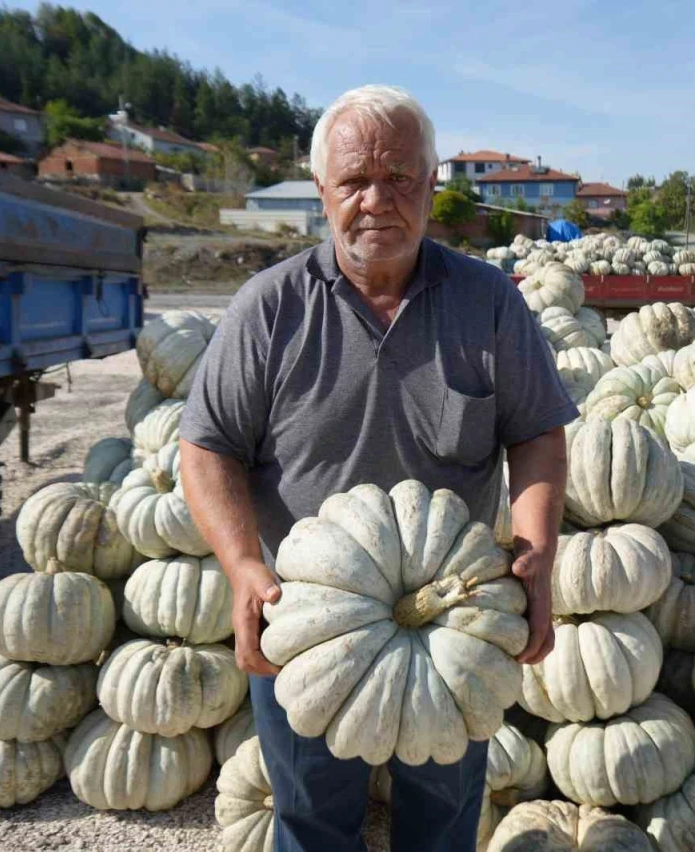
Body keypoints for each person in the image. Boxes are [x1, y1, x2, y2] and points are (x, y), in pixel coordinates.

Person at [178, 84, 578, 852]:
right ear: (323, 191)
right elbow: (207, 448)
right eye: (354, 181)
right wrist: (241, 567)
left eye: (399, 179)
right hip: (308, 622)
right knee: (312, 820)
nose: (376, 201)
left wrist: (535, 555)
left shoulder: (488, 300)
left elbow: (536, 435)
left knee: (443, 819)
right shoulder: (270, 308)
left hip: (453, 616)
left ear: (432, 187)